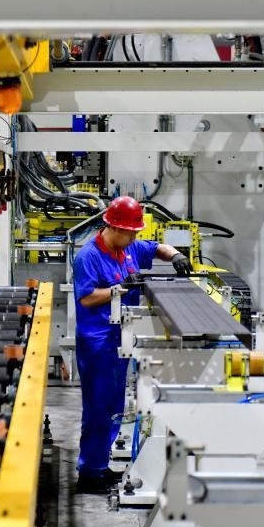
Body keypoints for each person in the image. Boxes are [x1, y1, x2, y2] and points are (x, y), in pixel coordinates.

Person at [72, 196, 191, 493]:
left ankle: (100, 465)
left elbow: (156, 248)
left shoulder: (128, 248)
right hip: (98, 343)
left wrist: (176, 255)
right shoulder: (88, 256)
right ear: (113, 227)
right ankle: (89, 473)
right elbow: (87, 298)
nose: (135, 238)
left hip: (122, 338)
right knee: (98, 407)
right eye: (131, 233)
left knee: (114, 405)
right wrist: (121, 288)